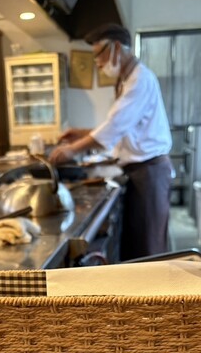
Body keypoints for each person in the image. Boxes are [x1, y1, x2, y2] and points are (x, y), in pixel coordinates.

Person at [49, 23, 172, 261]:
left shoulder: (140, 80)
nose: (97, 62)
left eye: (99, 54)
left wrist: (72, 151)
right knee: (138, 249)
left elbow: (115, 125)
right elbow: (122, 128)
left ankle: (152, 288)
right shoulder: (127, 80)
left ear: (116, 47)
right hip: (140, 173)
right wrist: (82, 133)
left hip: (149, 173)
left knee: (148, 250)